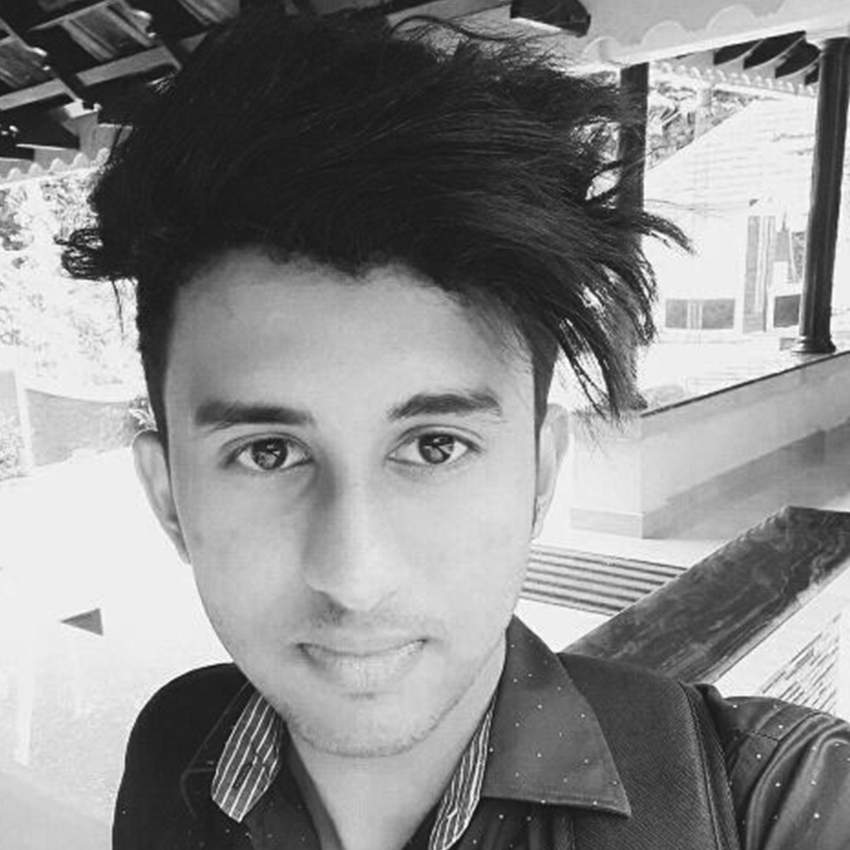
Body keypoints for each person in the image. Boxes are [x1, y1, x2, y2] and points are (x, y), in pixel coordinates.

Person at [63, 4, 850, 849]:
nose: (355, 578)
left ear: (541, 474)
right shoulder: (175, 753)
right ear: (168, 497)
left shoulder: (765, 802)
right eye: (268, 451)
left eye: (435, 446)